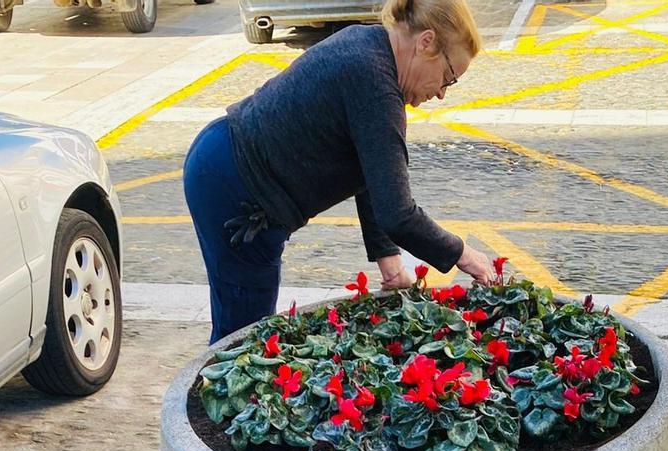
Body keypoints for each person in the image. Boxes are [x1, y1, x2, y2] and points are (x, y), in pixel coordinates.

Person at [182, 0, 495, 343]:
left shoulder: (372, 49)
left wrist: (390, 262)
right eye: (448, 78)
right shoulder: (375, 84)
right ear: (426, 42)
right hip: (236, 189)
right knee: (239, 342)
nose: (441, 93)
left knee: (239, 331)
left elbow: (372, 171)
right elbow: (398, 215)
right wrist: (463, 255)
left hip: (222, 161)